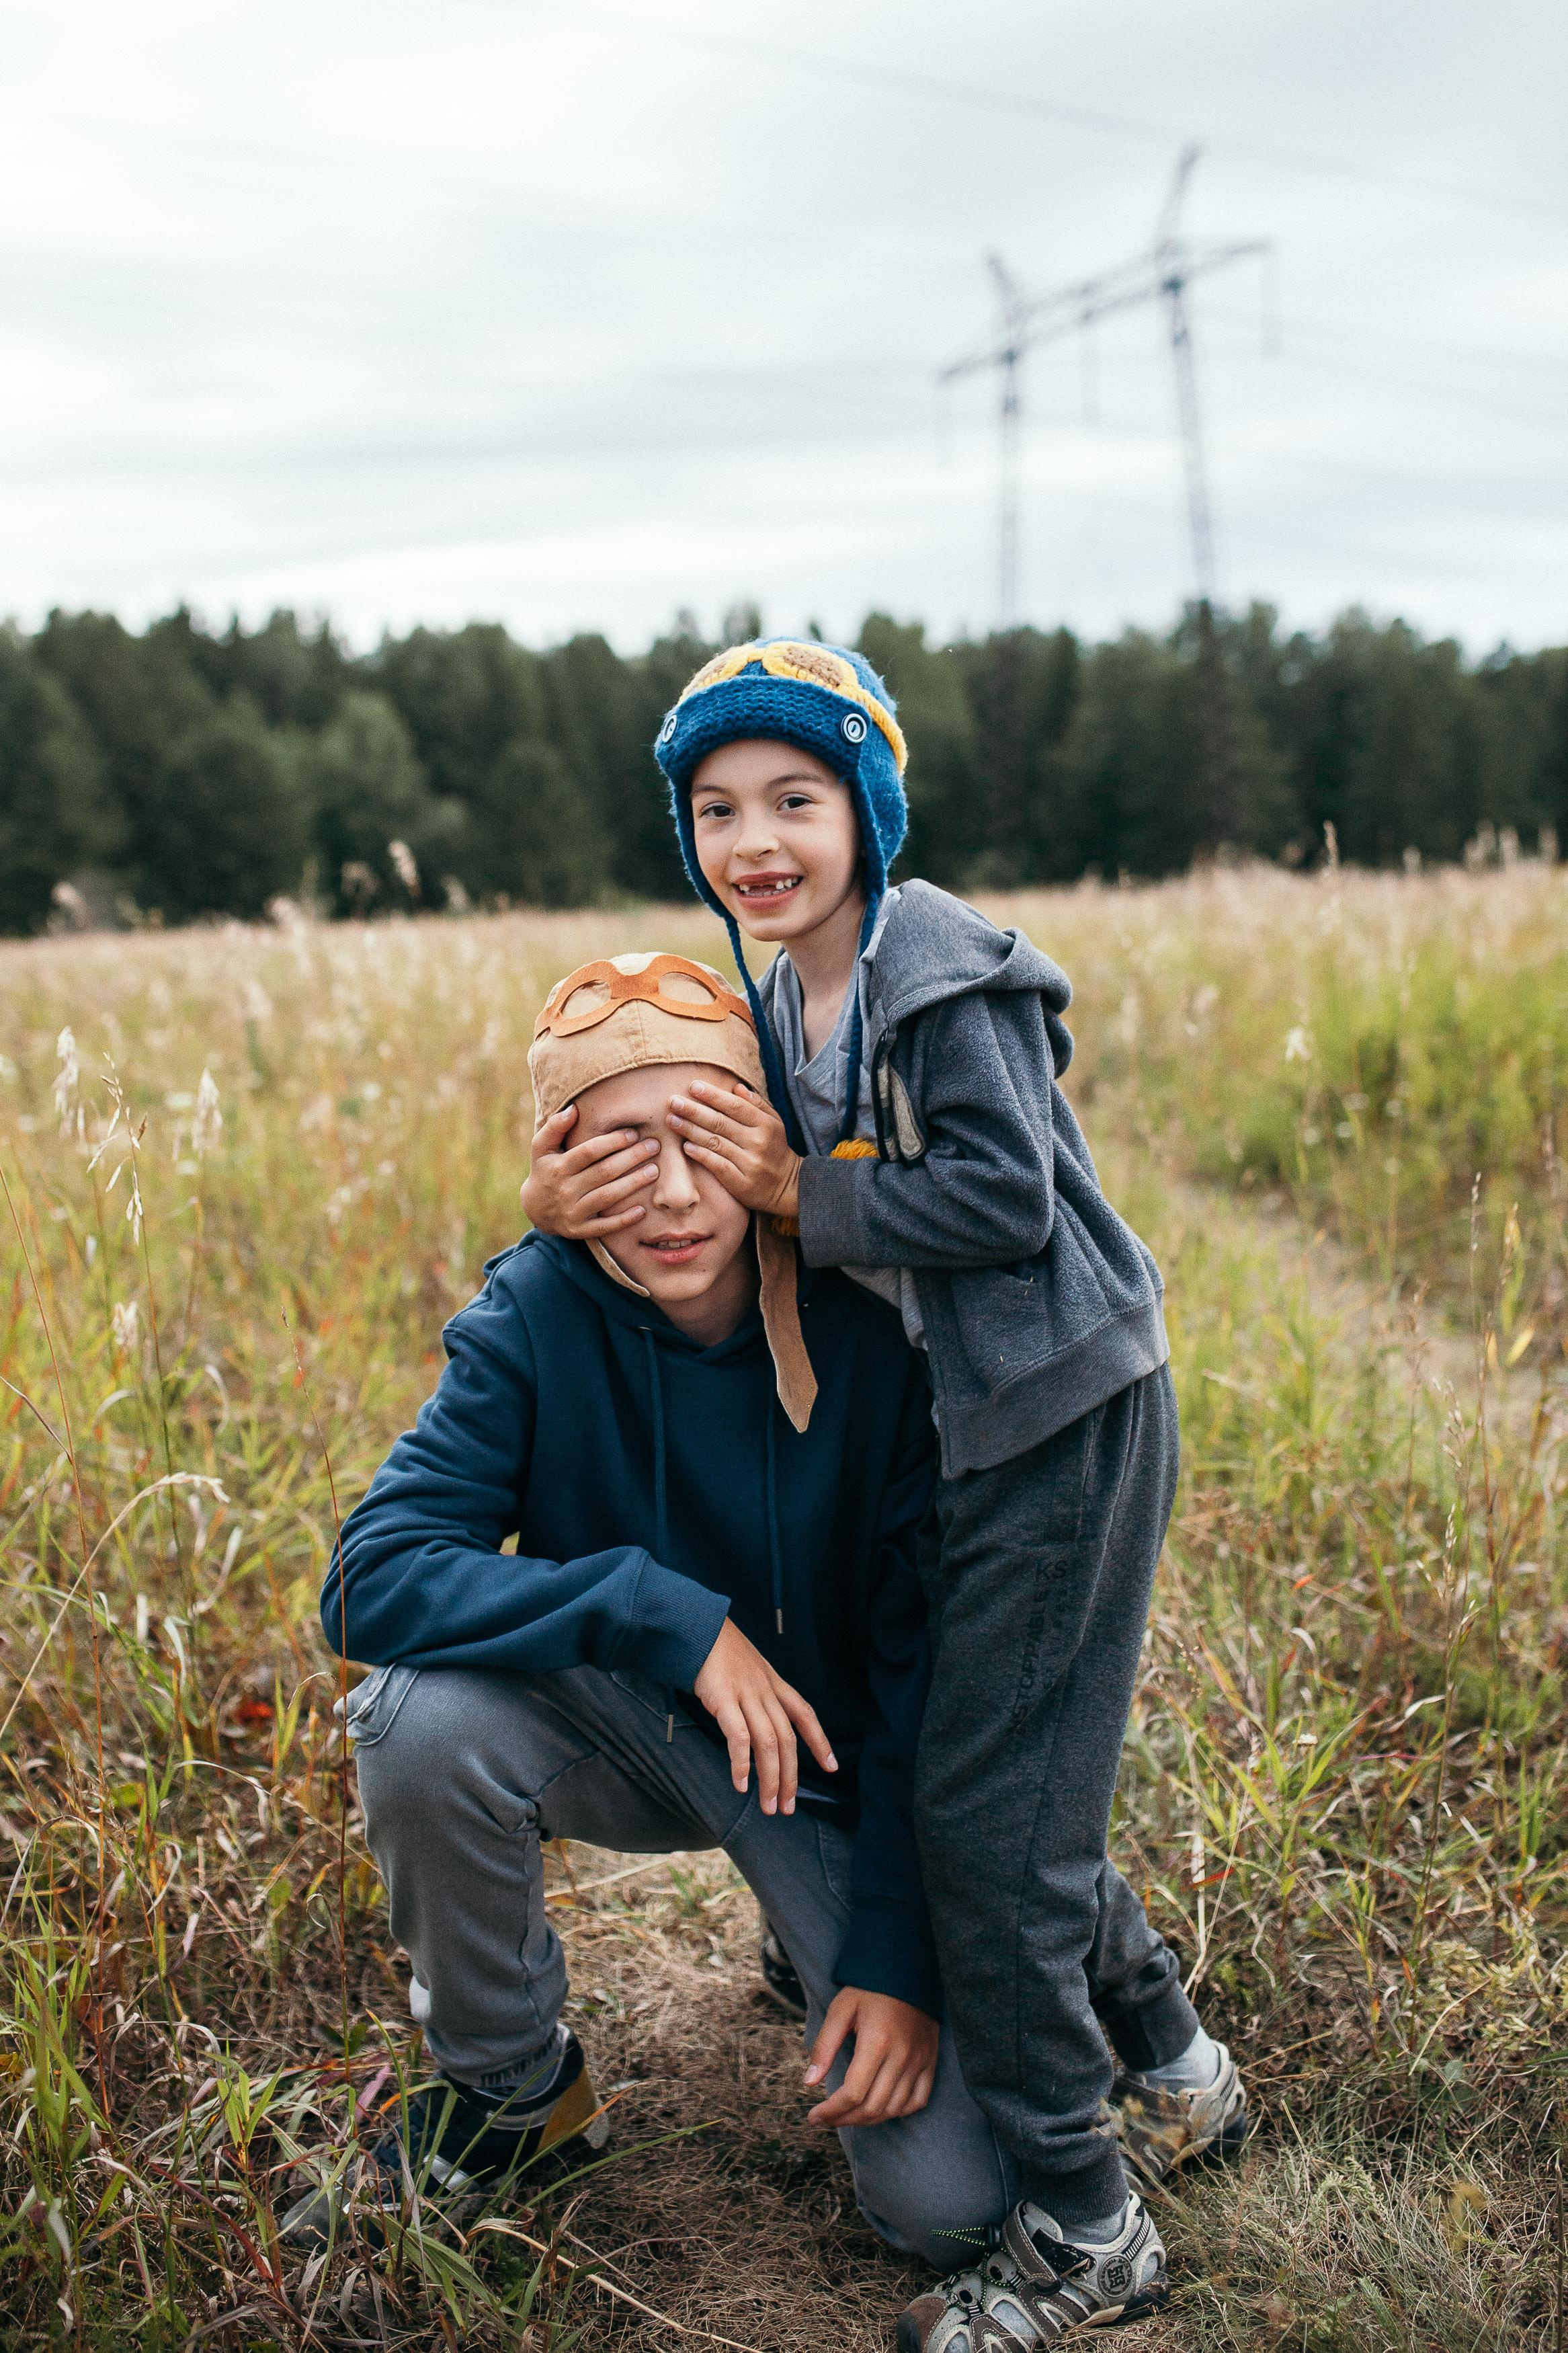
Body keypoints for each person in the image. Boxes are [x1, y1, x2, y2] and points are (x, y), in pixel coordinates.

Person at [522, 641, 1249, 2348]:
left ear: (869, 805)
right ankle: (1177, 2064)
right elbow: (756, 1183)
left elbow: (1003, 1192)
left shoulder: (929, 960)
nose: (756, 838)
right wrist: (573, 1205)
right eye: (717, 809)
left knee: (991, 1822)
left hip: (1058, 1410)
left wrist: (809, 1186)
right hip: (972, 1432)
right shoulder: (783, 991)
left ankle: (1088, 2226)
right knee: (1012, 1777)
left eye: (795, 798)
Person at [291, 949, 1023, 2268]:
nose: (675, 1196)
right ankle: (513, 2095)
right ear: (563, 1162)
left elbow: (937, 1670)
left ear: (764, 1141)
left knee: (954, 2206)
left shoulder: (876, 1331)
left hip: (831, 1768)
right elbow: (365, 1578)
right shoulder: (535, 1312)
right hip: (632, 1725)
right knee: (412, 1718)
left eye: (705, 1139)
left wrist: (896, 1953)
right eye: (625, 1151)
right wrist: (652, 1606)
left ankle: (819, 1945)